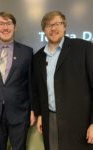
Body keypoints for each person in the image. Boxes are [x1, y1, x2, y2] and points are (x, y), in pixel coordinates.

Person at [32, 10, 93, 150]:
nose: (53, 28)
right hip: (51, 119)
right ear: (43, 30)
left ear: (65, 26)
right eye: (48, 25)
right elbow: (37, 89)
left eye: (57, 24)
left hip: (80, 122)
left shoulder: (84, 48)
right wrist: (40, 114)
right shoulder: (38, 57)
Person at [0, 11, 35, 150]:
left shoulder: (27, 51)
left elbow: (31, 84)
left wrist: (33, 110)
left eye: (9, 23)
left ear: (15, 27)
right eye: (1, 24)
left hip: (20, 112)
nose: (5, 27)